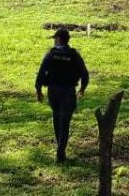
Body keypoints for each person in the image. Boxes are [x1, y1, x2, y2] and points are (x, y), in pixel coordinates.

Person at [35, 27, 90, 163]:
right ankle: (61, 151)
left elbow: (41, 72)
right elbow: (84, 74)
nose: (54, 41)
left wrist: (38, 90)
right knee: (65, 121)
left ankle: (60, 149)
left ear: (59, 39)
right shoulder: (74, 55)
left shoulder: (51, 54)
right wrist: (82, 88)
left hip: (53, 91)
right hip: (68, 91)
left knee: (56, 116)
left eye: (55, 39)